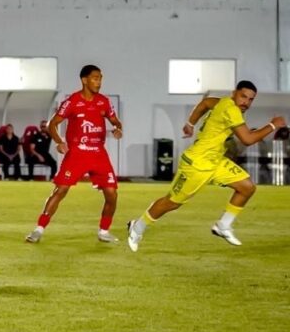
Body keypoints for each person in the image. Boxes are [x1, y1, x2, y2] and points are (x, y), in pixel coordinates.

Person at [127, 81, 286, 251]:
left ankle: (223, 225)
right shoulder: (231, 110)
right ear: (234, 93)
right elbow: (247, 139)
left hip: (215, 161)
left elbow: (205, 103)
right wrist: (272, 125)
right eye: (243, 96)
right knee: (172, 203)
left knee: (247, 187)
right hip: (196, 164)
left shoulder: (223, 102)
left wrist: (190, 124)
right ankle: (137, 227)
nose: (246, 102)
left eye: (250, 99)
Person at [26, 64, 123, 244]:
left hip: (98, 154)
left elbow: (116, 122)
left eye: (100, 78)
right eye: (95, 78)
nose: (99, 82)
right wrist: (59, 142)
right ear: (84, 80)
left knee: (112, 194)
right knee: (60, 190)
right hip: (77, 154)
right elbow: (52, 124)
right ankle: (38, 229)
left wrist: (117, 129)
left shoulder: (104, 101)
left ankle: (104, 231)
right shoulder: (72, 102)